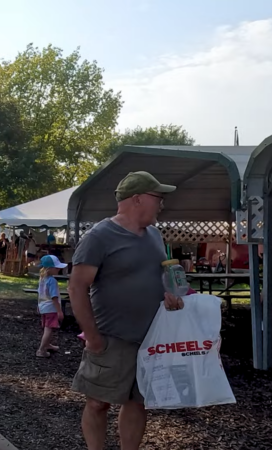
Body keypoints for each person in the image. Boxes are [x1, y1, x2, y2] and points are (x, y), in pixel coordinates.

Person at [68, 171, 185, 450]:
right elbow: (76, 288)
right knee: (98, 402)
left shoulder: (155, 235)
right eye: (158, 198)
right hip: (111, 337)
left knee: (138, 402)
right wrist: (93, 338)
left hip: (150, 339)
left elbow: (161, 276)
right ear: (137, 199)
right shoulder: (100, 236)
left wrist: (171, 296)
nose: (162, 204)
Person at [36, 255, 66, 358]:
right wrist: (59, 311)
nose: (58, 269)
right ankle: (41, 350)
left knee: (47, 327)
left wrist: (38, 305)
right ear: (50, 268)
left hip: (43, 307)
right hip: (51, 308)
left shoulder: (42, 279)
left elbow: (40, 293)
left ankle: (47, 345)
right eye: (56, 267)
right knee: (48, 329)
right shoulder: (52, 281)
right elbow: (54, 297)